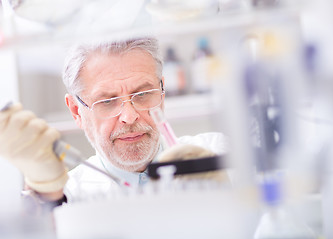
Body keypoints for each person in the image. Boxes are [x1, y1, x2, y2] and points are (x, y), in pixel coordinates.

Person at [0, 37, 227, 208]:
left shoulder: (216, 152)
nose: (129, 116)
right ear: (76, 111)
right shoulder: (68, 195)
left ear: (162, 91)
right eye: (107, 101)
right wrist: (43, 190)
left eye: (143, 94)